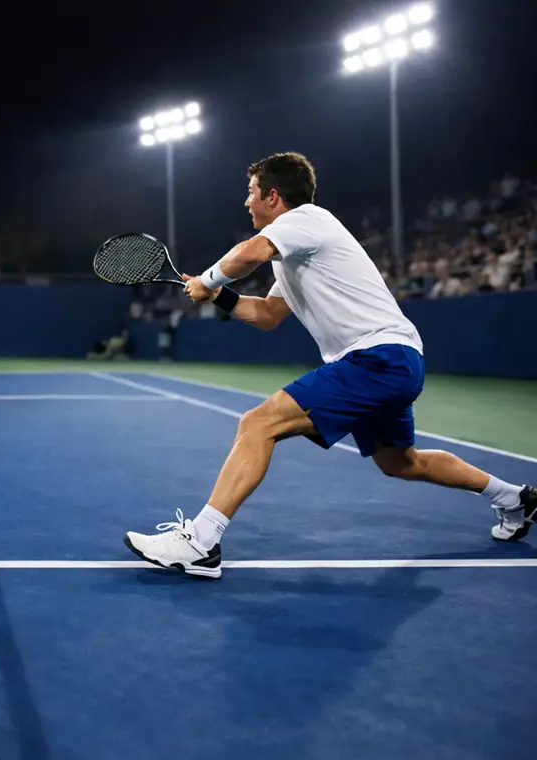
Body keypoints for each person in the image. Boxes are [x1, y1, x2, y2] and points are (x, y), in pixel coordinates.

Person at [123, 152, 535, 579]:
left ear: (274, 196)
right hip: (397, 359)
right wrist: (219, 297)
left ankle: (201, 542)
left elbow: (246, 256)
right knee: (400, 462)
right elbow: (266, 315)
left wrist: (207, 281)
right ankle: (514, 497)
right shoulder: (293, 252)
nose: (246, 203)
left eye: (251, 194)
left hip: (375, 358)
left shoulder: (305, 220)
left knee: (257, 424)